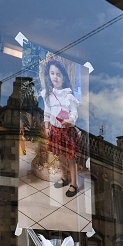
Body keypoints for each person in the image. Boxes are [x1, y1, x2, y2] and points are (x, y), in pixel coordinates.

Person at [40, 59, 81, 197]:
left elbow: (74, 113)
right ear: (48, 75)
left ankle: (74, 184)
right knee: (60, 156)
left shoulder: (68, 96)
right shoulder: (48, 95)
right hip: (55, 131)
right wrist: (47, 127)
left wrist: (69, 120)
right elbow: (46, 113)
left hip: (67, 131)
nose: (55, 77)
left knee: (70, 158)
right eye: (52, 73)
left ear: (64, 77)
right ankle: (64, 178)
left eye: (58, 74)